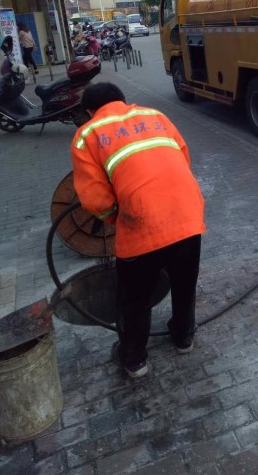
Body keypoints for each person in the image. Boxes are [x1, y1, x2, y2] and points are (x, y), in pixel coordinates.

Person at [70, 82, 205, 379]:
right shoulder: (155, 115)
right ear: (122, 100)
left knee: (135, 297)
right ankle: (184, 337)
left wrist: (116, 217)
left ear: (91, 111)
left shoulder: (87, 134)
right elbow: (182, 156)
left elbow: (94, 198)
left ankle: (134, 359)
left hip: (140, 221)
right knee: (184, 283)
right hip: (188, 213)